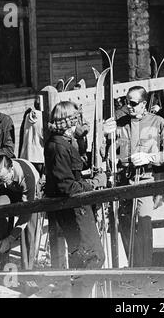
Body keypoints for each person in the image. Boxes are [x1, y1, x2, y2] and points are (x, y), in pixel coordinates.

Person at [44, 101, 114, 271]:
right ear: (68, 122)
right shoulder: (58, 146)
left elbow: (74, 167)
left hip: (76, 208)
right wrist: (95, 183)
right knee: (94, 257)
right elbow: (67, 186)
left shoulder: (64, 142)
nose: (79, 124)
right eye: (76, 120)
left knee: (80, 259)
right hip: (74, 209)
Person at [116, 86, 164, 267]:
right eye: (127, 102)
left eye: (133, 103)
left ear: (143, 104)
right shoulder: (121, 122)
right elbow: (107, 150)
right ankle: (133, 264)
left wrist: (149, 157)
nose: (129, 106)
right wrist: (104, 133)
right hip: (124, 180)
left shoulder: (158, 122)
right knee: (125, 223)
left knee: (144, 224)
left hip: (145, 179)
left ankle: (146, 267)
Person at [0, 155, 42, 271]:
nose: (0, 183)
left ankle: (28, 270)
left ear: (11, 169)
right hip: (10, 191)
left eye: (2, 179)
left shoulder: (27, 176)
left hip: (28, 190)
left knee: (29, 226)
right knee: (0, 207)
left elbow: (26, 213)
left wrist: (11, 238)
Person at [19, 96, 44, 176]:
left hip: (28, 155)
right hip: (40, 156)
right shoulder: (42, 117)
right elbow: (43, 136)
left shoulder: (28, 116)